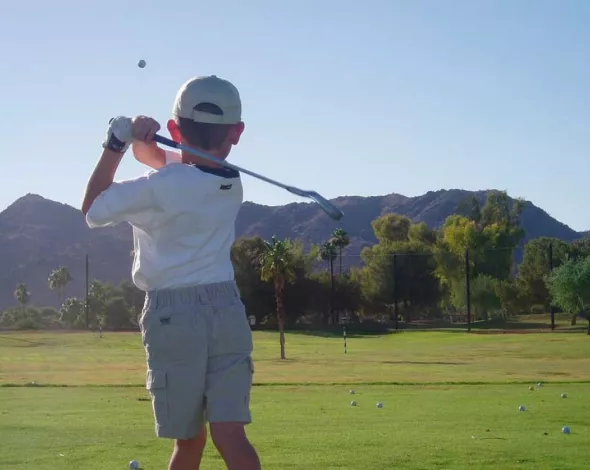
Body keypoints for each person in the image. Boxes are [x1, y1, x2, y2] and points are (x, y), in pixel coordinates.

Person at [81, 75, 261, 470]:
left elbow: (92, 209)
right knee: (232, 435)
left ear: (175, 127)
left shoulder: (159, 188)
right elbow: (166, 161)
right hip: (226, 307)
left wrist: (116, 143)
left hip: (173, 314)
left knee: (189, 440)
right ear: (236, 133)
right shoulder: (231, 181)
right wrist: (143, 142)